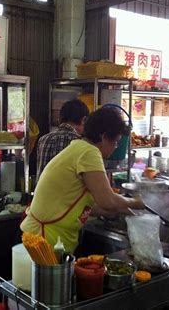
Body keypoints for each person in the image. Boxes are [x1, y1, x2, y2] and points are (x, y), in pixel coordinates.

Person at [21, 107, 145, 254]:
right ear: (104, 137)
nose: (115, 147)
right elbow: (107, 200)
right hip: (46, 240)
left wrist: (119, 210)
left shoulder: (79, 147)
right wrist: (136, 202)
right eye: (116, 142)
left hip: (47, 237)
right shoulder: (89, 152)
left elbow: (82, 205)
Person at [36, 99, 89, 182]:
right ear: (83, 120)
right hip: (66, 194)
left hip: (41, 193)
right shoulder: (78, 142)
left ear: (59, 119)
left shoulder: (43, 139)